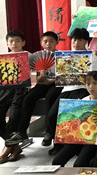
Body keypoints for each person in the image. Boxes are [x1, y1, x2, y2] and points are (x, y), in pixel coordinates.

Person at [46, 28, 97, 155]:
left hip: (83, 89)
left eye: (80, 40)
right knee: (52, 115)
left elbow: (94, 78)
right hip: (67, 89)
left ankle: (77, 146)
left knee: (77, 116)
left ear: (86, 41)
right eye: (74, 39)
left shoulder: (92, 57)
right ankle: (58, 144)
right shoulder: (65, 56)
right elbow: (61, 76)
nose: (76, 42)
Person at [10, 31, 60, 149]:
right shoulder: (39, 56)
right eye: (45, 41)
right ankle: (22, 131)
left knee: (50, 97)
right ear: (41, 43)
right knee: (28, 98)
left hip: (57, 84)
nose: (48, 44)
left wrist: (48, 81)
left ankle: (49, 132)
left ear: (56, 43)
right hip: (42, 84)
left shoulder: (61, 56)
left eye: (51, 41)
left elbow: (63, 77)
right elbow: (38, 79)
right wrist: (42, 75)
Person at [52, 71, 97, 167]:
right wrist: (75, 112)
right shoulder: (83, 100)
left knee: (79, 164)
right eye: (88, 84)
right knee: (57, 161)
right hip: (79, 138)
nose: (91, 87)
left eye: (95, 83)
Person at [0, 31, 30, 163]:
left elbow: (38, 69)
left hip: (21, 90)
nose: (14, 44)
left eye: (17, 41)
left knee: (14, 116)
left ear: (23, 43)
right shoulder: (3, 58)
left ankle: (6, 150)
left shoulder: (29, 56)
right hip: (5, 90)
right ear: (7, 44)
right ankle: (14, 146)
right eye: (11, 41)